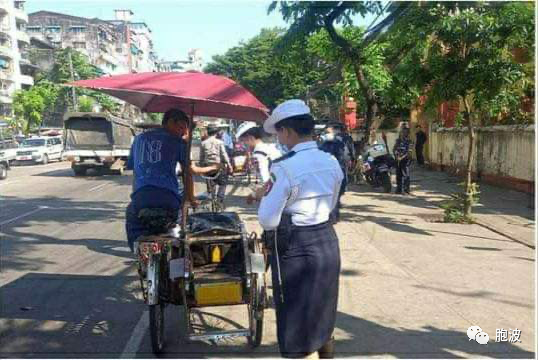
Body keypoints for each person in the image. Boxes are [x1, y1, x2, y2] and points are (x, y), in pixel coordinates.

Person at [258, 99, 343, 358]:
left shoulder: (284, 167)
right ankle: (325, 348)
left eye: (280, 134)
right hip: (327, 240)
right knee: (323, 304)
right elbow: (332, 202)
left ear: (287, 131)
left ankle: (299, 352)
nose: (280, 140)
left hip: (296, 246)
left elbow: (267, 220)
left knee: (293, 313)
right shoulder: (331, 161)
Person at [125, 108, 205, 251]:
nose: (182, 132)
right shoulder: (179, 143)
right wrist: (190, 199)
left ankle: (137, 251)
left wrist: (136, 196)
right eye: (181, 127)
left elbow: (135, 172)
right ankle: (178, 247)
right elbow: (188, 173)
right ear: (169, 122)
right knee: (181, 223)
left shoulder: (138, 139)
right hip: (168, 198)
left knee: (132, 219)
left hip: (140, 196)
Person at [235, 121, 283, 203]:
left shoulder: (259, 154)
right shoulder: (268, 148)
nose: (243, 145)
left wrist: (254, 195)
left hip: (275, 197)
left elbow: (265, 181)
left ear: (250, 137)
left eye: (242, 141)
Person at [319, 123, 350, 223]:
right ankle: (334, 216)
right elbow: (346, 157)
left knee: (332, 195)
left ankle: (332, 216)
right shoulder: (337, 143)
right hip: (336, 172)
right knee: (335, 195)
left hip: (331, 172)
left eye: (327, 132)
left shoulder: (323, 145)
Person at [199, 126, 233, 207]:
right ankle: (219, 199)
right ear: (216, 133)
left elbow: (201, 158)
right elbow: (224, 155)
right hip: (219, 168)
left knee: (211, 185)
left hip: (208, 169)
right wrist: (229, 165)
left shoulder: (203, 143)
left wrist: (202, 168)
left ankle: (212, 198)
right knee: (223, 184)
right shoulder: (220, 142)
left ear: (208, 133)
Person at [393, 123, 413, 195]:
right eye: (402, 130)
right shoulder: (398, 141)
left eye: (405, 131)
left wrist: (402, 157)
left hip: (405, 160)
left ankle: (406, 190)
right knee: (398, 175)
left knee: (406, 175)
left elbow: (409, 152)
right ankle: (399, 189)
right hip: (398, 160)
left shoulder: (409, 141)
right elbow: (394, 149)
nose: (404, 132)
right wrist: (396, 156)